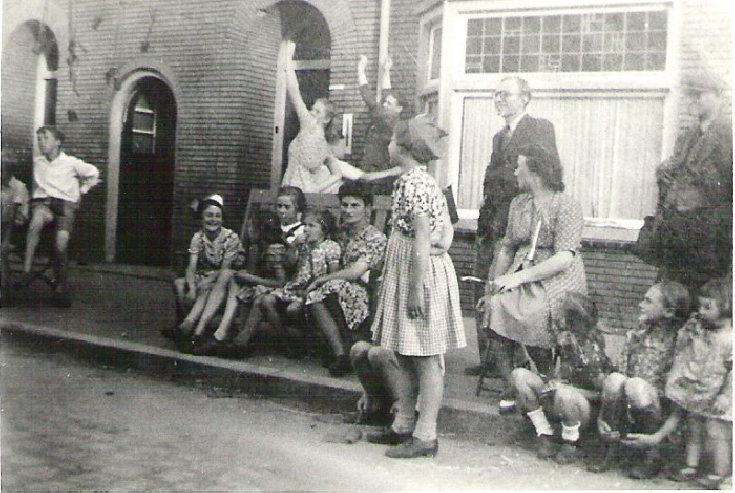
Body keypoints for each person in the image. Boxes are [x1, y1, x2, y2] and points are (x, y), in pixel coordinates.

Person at [369, 115, 466, 459]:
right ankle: (404, 423)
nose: (388, 145)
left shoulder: (417, 184)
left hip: (419, 275)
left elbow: (423, 237)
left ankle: (426, 435)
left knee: (426, 356)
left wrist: (415, 289)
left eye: (391, 140)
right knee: (405, 352)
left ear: (403, 147)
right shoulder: (408, 180)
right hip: (407, 271)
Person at [476, 142, 586, 410]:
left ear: (536, 173)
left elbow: (564, 257)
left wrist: (518, 278)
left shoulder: (567, 205)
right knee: (493, 305)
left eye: (519, 167)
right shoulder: (519, 204)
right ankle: (512, 381)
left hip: (556, 279)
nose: (515, 172)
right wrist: (494, 283)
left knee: (535, 313)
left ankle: (545, 381)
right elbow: (507, 248)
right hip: (520, 272)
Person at [469, 77, 559, 377]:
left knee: (513, 290)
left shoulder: (540, 128)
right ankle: (490, 360)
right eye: (496, 95)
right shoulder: (499, 137)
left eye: (505, 95)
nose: (499, 100)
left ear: (525, 98)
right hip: (492, 224)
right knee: (486, 285)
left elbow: (546, 176)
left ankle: (516, 364)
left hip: (519, 225)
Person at [196, 209, 340, 358]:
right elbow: (289, 264)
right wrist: (293, 247)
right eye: (305, 225)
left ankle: (244, 343)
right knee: (264, 301)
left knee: (286, 307)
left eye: (312, 226)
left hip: (312, 292)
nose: (306, 229)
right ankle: (278, 342)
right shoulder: (303, 246)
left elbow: (331, 276)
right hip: (292, 289)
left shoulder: (331, 247)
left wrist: (311, 288)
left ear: (324, 229)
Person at [590, 280, 690, 479]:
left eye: (648, 301)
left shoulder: (681, 339)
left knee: (635, 385)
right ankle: (610, 443)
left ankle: (651, 453)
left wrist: (659, 435)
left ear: (669, 311)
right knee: (615, 379)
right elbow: (622, 372)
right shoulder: (639, 332)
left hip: (660, 408)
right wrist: (602, 415)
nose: (640, 305)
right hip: (630, 400)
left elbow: (681, 393)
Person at [652, 70, 732, 293]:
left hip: (710, 240)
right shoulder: (687, 135)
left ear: (718, 95)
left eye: (699, 95)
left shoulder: (728, 134)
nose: (692, 101)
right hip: (677, 235)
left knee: (704, 297)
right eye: (689, 95)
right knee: (672, 296)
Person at [508, 292, 612, 464]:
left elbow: (602, 394)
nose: (557, 320)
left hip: (581, 408)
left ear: (573, 320)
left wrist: (567, 389)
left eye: (561, 316)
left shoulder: (590, 350)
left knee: (565, 394)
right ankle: (544, 433)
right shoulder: (565, 342)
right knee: (519, 375)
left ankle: (571, 443)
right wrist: (551, 381)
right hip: (560, 399)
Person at [304, 181, 387, 377]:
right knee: (317, 294)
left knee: (323, 290)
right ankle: (341, 353)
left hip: (365, 292)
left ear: (367, 208)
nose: (348, 210)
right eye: (345, 205)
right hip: (335, 288)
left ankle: (340, 351)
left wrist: (321, 280)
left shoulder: (375, 238)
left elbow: (356, 272)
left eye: (355, 205)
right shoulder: (339, 233)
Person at [17, 126, 100, 307]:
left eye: (45, 138)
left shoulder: (70, 162)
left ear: (57, 142)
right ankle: (26, 270)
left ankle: (60, 288)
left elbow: (94, 173)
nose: (41, 142)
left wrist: (83, 190)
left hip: (65, 206)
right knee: (35, 222)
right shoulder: (37, 162)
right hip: (44, 204)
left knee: (61, 244)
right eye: (38, 138)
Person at [663, 278, 732, 488]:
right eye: (700, 306)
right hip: (697, 389)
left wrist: (726, 395)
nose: (701, 311)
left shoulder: (730, 339)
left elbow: (733, 372)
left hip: (718, 393)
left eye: (708, 307)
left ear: (726, 307)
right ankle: (690, 465)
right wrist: (687, 332)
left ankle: (720, 473)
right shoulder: (699, 330)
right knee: (693, 426)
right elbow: (683, 349)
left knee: (715, 431)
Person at [170, 194, 243, 350]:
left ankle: (189, 326)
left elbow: (225, 269)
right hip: (207, 276)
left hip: (226, 281)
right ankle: (188, 327)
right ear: (201, 218)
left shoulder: (231, 238)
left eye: (218, 216)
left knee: (208, 287)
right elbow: (192, 265)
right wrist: (191, 288)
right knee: (180, 284)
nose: (213, 220)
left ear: (222, 219)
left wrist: (205, 282)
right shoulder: (198, 237)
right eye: (209, 215)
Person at [280, 41, 342, 193]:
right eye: (312, 109)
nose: (312, 113)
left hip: (292, 190)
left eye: (317, 111)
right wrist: (316, 189)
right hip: (307, 193)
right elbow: (337, 174)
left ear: (326, 119)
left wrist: (287, 58)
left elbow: (294, 92)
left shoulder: (309, 126)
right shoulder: (326, 145)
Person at [354, 54, 409, 196]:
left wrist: (361, 71)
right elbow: (386, 94)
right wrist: (386, 71)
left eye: (389, 104)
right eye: (385, 103)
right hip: (381, 172)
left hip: (377, 173)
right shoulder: (395, 121)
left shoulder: (386, 121)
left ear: (399, 108)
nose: (384, 105)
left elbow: (368, 97)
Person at [1, 145, 29, 295]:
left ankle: (3, 287)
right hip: (4, 227)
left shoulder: (18, 187)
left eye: (1, 170)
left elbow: (14, 216)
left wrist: (6, 240)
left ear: (9, 171)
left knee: (1, 250)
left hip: (18, 232)